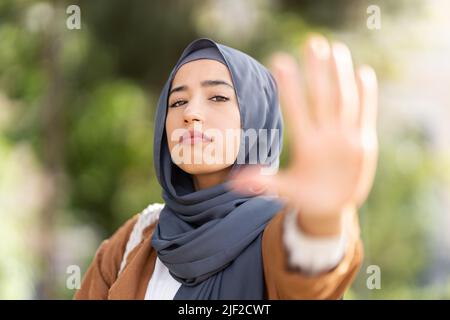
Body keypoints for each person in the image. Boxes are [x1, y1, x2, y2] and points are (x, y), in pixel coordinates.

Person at [74, 34, 378, 299]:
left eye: (218, 97)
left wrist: (324, 218)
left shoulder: (281, 232)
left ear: (256, 117)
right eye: (177, 102)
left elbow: (310, 275)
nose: (191, 113)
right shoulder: (136, 239)